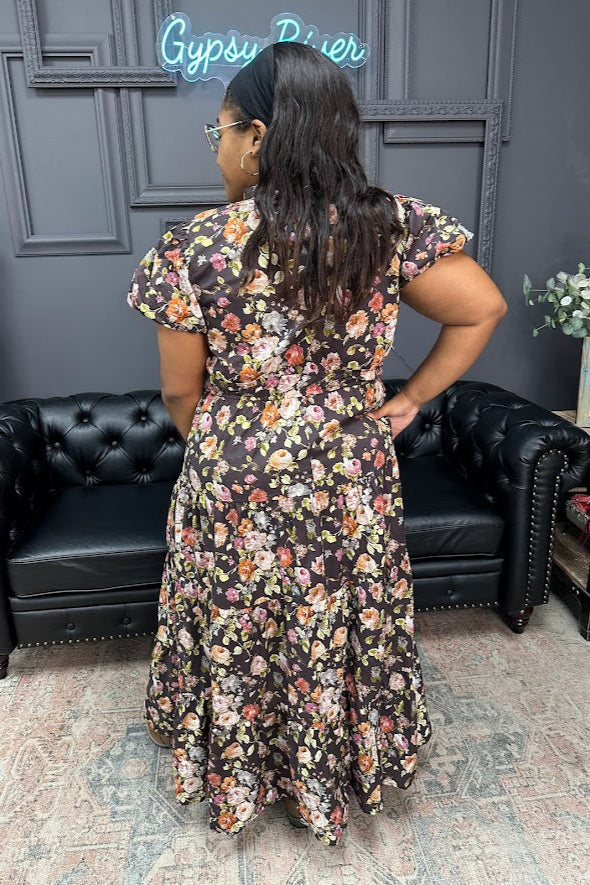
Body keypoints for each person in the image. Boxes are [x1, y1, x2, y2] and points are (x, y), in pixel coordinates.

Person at [126, 41, 508, 847]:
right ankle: (336, 768)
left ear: (257, 135)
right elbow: (481, 308)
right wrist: (405, 401)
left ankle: (242, 771)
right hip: (349, 471)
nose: (217, 145)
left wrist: (226, 446)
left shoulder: (197, 245)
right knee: (341, 621)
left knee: (238, 625)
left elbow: (179, 392)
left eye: (219, 130)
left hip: (236, 478)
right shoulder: (390, 225)